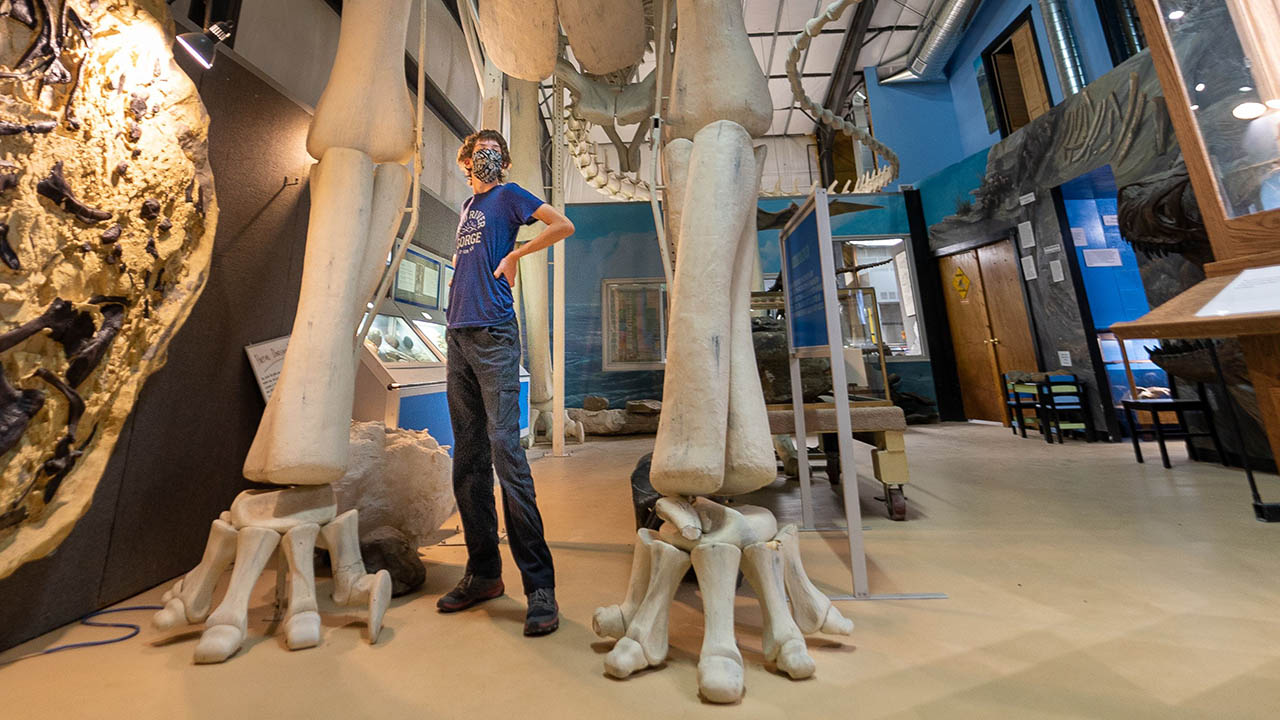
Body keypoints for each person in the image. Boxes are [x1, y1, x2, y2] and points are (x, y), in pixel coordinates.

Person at [436, 129, 574, 637]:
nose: (482, 158)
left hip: (493, 334)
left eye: (490, 151)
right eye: (476, 152)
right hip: (457, 336)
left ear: (500, 160)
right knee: (467, 456)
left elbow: (563, 224)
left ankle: (540, 586)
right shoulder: (467, 208)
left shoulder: (509, 196)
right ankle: (484, 573)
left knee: (505, 453)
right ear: (465, 161)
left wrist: (517, 255)